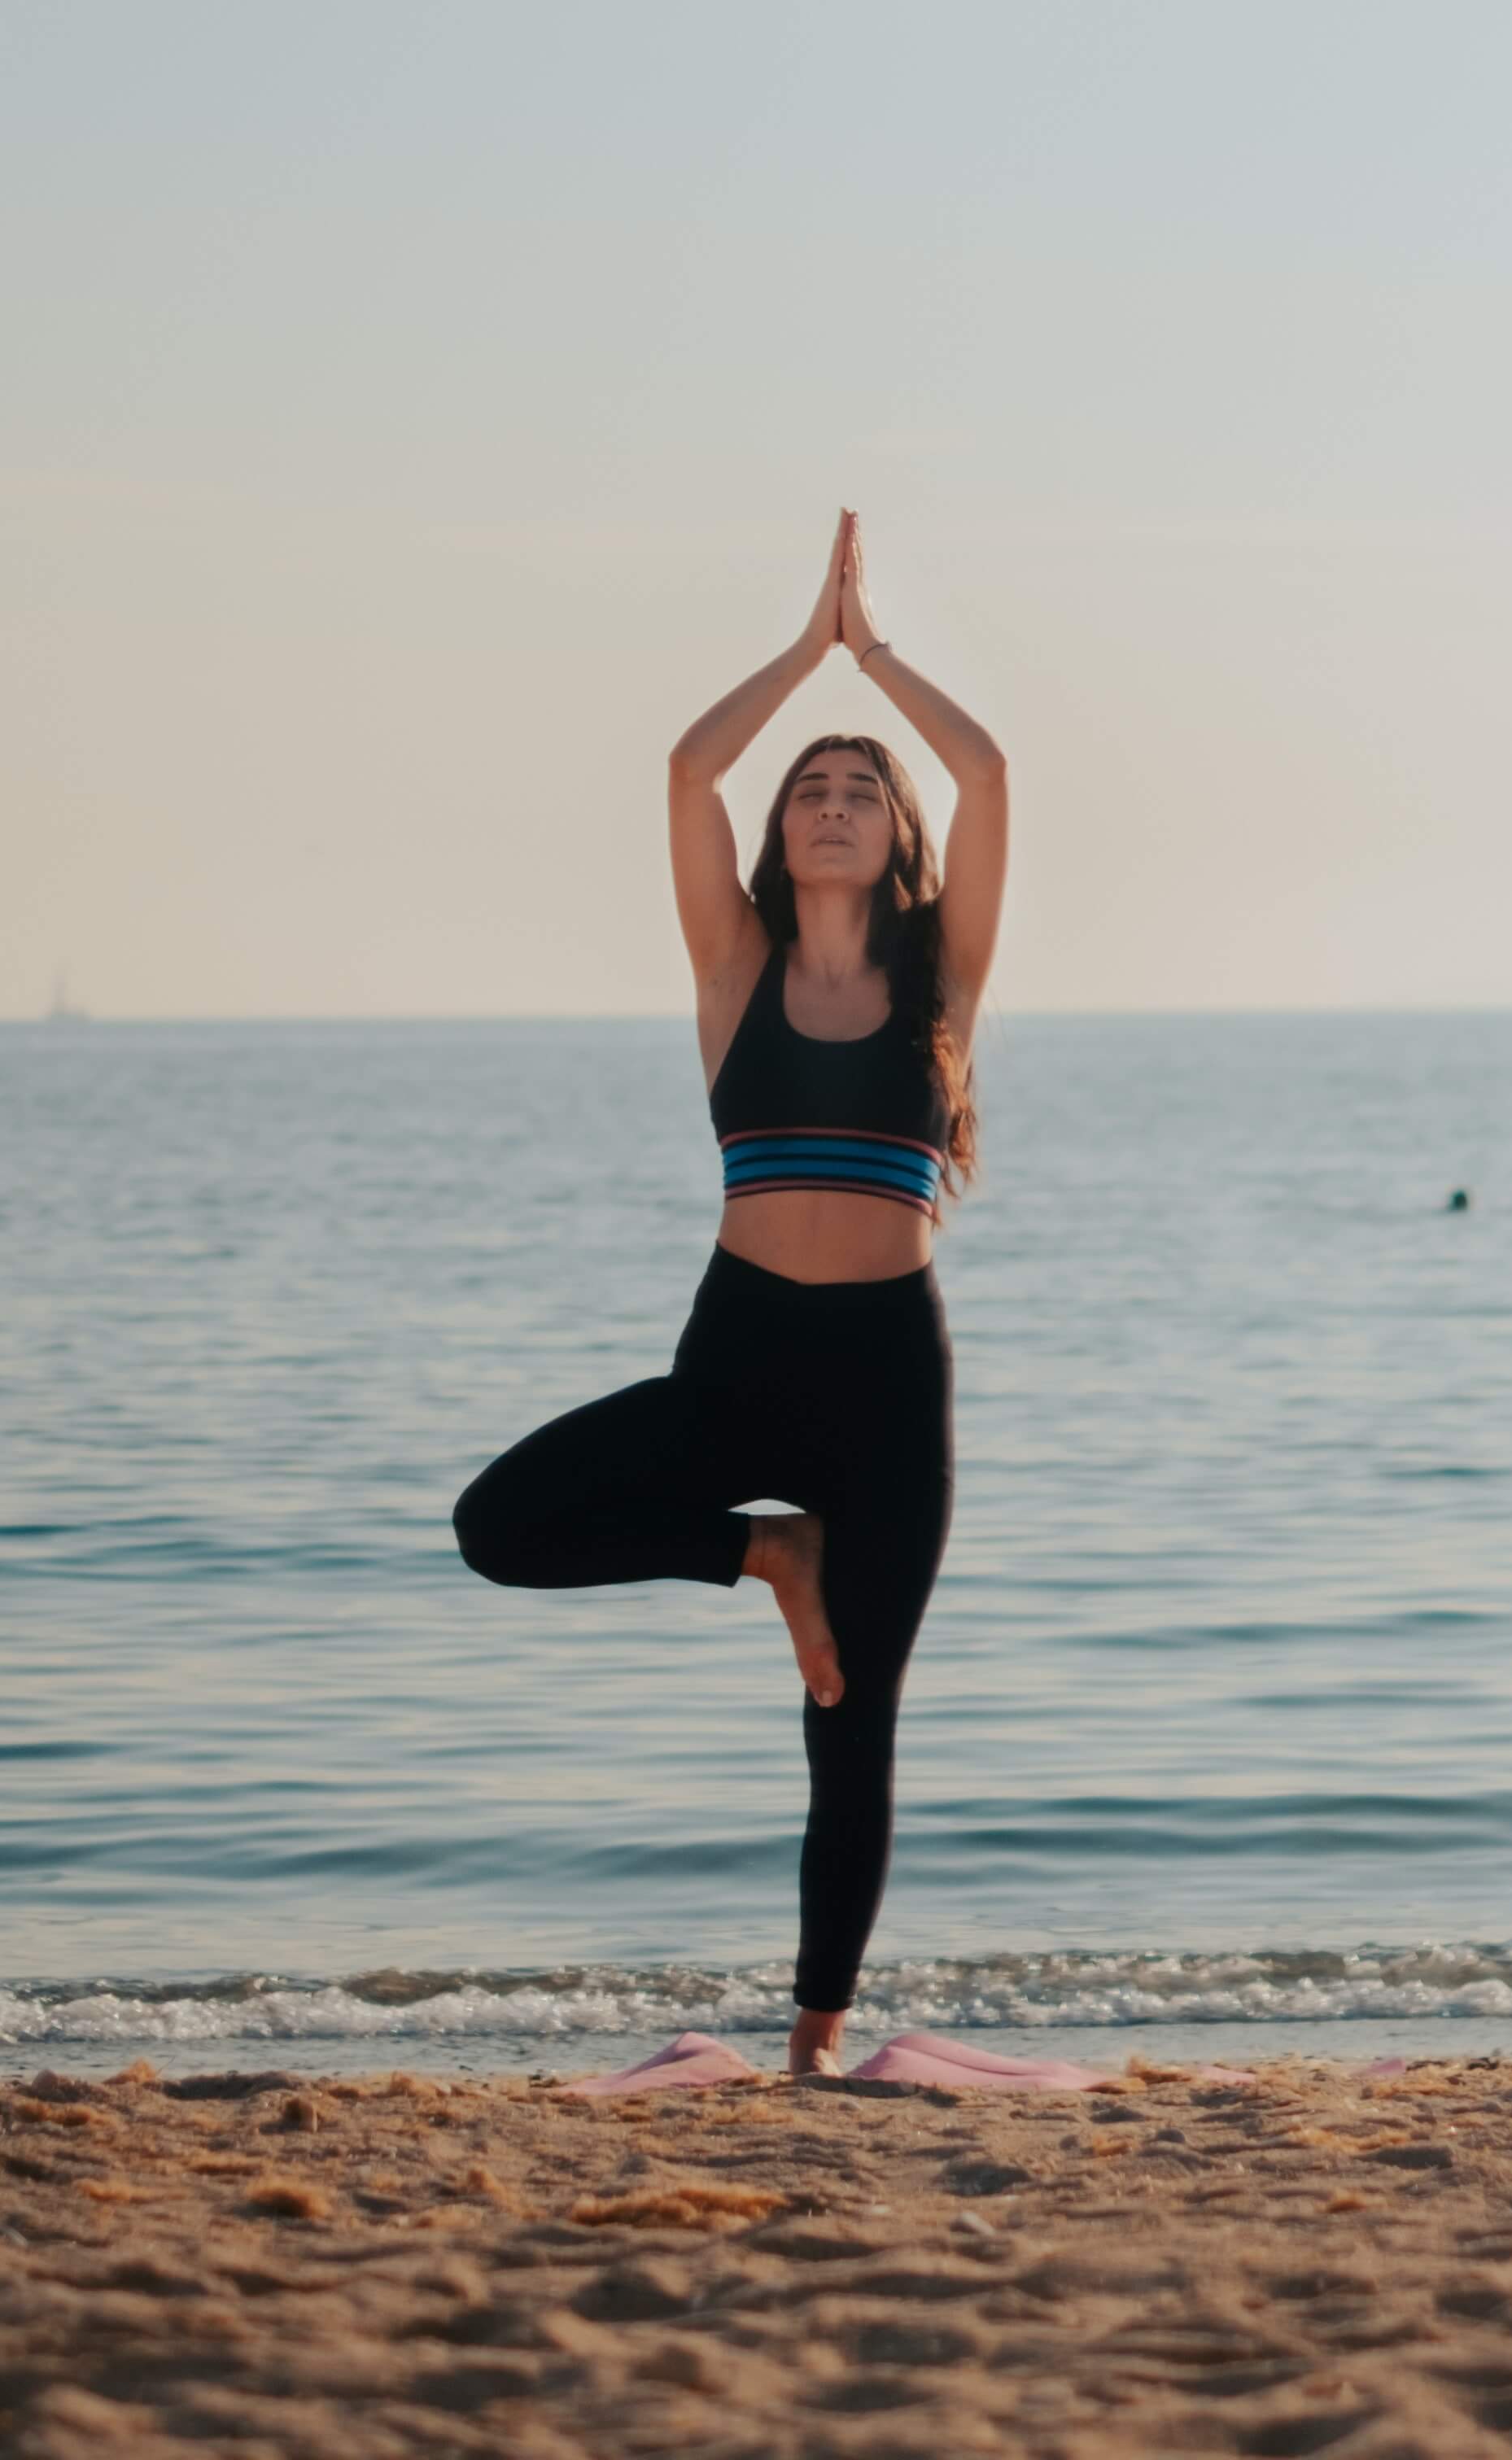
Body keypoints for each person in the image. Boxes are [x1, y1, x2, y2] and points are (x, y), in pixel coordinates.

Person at [452, 511, 1010, 2078]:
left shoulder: (942, 982)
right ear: (783, 837)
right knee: (498, 1526)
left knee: (856, 1722)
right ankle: (766, 1553)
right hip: (741, 1355)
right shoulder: (733, 969)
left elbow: (994, 781)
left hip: (891, 1380)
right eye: (811, 792)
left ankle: (816, 2043)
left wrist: (881, 659)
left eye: (859, 792)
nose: (832, 804)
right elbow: (692, 774)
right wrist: (808, 647)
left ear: (895, 836)